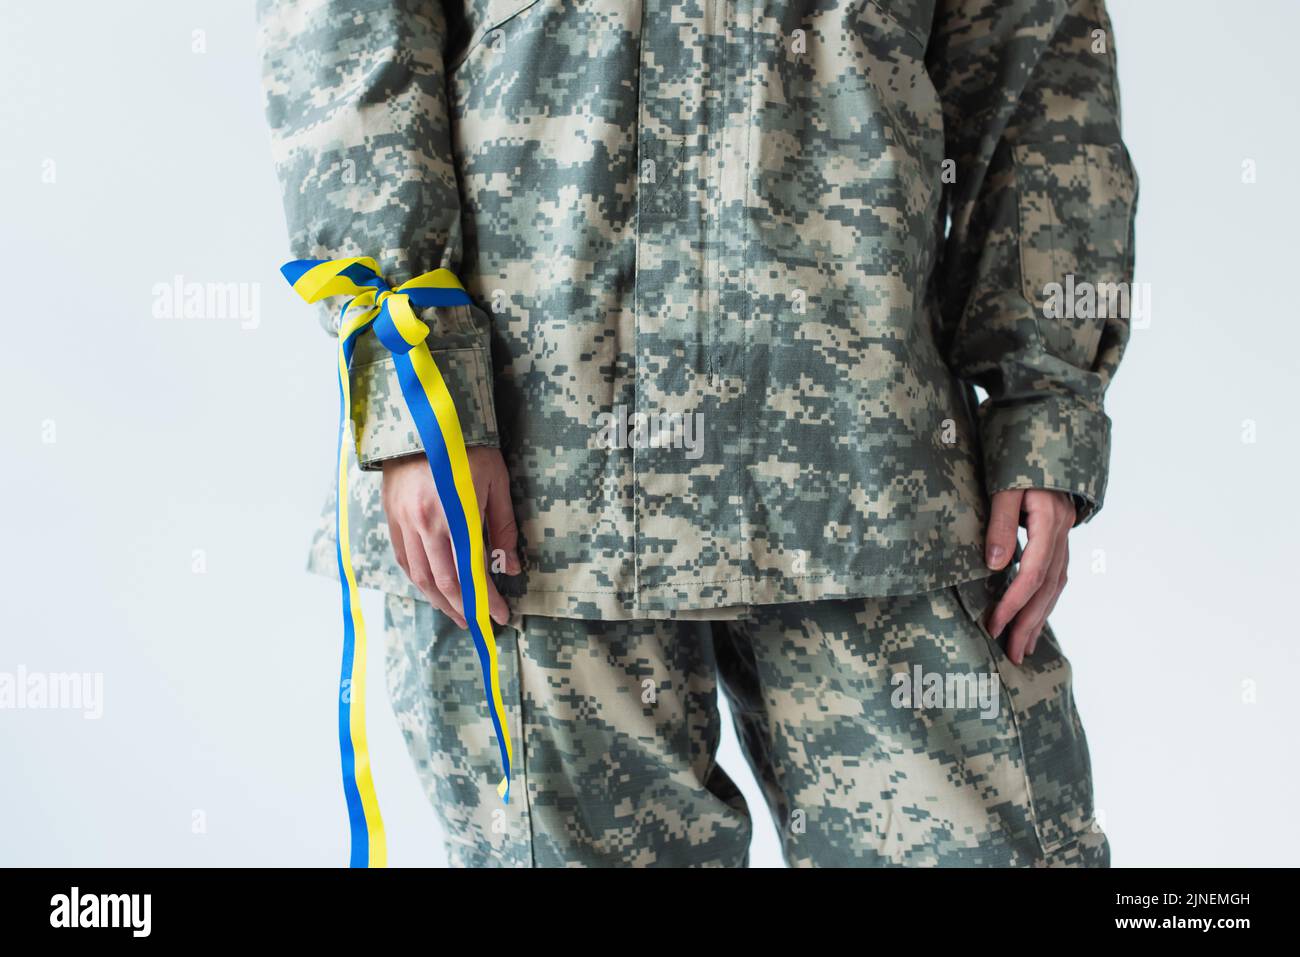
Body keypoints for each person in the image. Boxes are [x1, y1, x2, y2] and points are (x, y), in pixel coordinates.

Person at [258, 0, 1136, 867]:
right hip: (535, 473)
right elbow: (350, 26)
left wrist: (1045, 396)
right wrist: (418, 386)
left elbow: (1039, 53)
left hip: (867, 461)